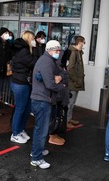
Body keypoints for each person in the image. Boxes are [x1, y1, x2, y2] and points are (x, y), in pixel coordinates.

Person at [30, 40, 65, 169]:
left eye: (59, 50)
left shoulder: (49, 61)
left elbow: (62, 72)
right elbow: (50, 84)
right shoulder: (46, 63)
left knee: (40, 129)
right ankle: (37, 158)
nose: (58, 52)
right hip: (42, 101)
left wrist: (60, 77)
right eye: (56, 50)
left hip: (42, 99)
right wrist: (62, 85)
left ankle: (36, 151)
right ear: (49, 50)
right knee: (42, 130)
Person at [10, 31, 38, 144]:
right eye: (33, 39)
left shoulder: (23, 50)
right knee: (20, 108)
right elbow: (33, 63)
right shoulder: (23, 51)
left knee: (26, 108)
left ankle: (20, 129)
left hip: (24, 83)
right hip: (20, 83)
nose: (34, 41)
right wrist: (36, 50)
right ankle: (15, 133)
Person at [67, 35, 86, 128]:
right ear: (79, 42)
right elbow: (70, 69)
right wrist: (76, 81)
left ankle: (69, 118)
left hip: (76, 82)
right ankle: (66, 121)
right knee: (70, 102)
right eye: (83, 42)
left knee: (72, 102)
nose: (84, 44)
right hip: (73, 83)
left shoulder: (78, 52)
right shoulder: (73, 53)